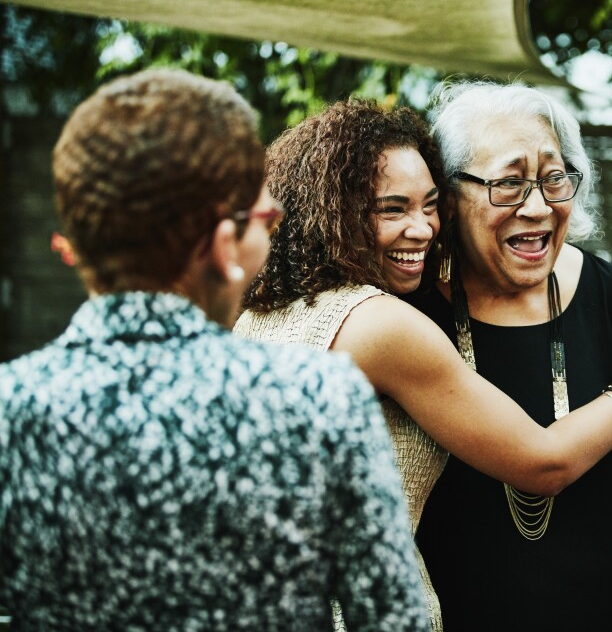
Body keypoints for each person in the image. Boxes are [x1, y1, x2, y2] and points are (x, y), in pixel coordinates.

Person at [0, 70, 430, 630]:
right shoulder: (318, 398)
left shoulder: (11, 408)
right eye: (266, 218)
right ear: (225, 244)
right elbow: (393, 619)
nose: (273, 236)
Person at [233, 97, 612, 631]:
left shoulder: (264, 315)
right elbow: (544, 463)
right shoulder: (385, 323)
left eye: (428, 204)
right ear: (333, 210)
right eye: (391, 209)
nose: (422, 229)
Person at [406, 80, 612, 632]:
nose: (537, 207)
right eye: (510, 183)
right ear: (449, 196)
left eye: (553, 178)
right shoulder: (411, 316)